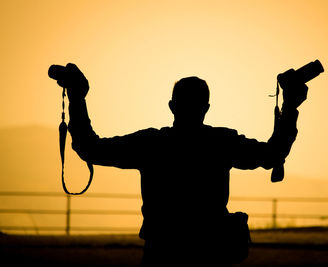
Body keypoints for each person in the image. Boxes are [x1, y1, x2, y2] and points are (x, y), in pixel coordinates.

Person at [52, 63, 307, 266]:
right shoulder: (221, 142)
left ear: (172, 107)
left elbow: (90, 148)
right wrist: (290, 105)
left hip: (162, 253)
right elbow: (272, 154)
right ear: (206, 108)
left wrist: (77, 97)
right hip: (210, 255)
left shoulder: (152, 144)